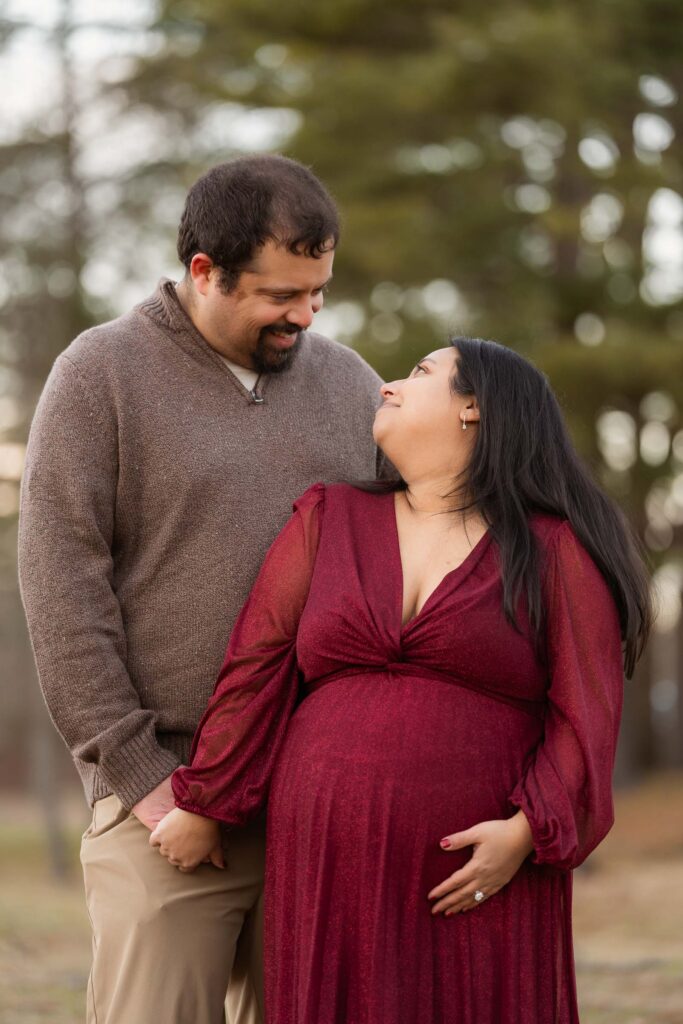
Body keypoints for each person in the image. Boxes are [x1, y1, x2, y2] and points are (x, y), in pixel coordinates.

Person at [150, 337, 653, 1024]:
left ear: (474, 406)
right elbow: (255, 666)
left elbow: (584, 711)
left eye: (419, 373)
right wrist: (208, 799)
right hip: (328, 858)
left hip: (473, 872)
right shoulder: (329, 515)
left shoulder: (551, 548)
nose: (387, 384)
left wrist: (525, 833)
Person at [18, 154, 385, 1024]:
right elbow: (62, 587)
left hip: (318, 798)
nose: (304, 315)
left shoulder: (353, 385)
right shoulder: (99, 373)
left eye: (318, 292)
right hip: (168, 799)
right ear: (203, 271)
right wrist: (143, 779)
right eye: (279, 295)